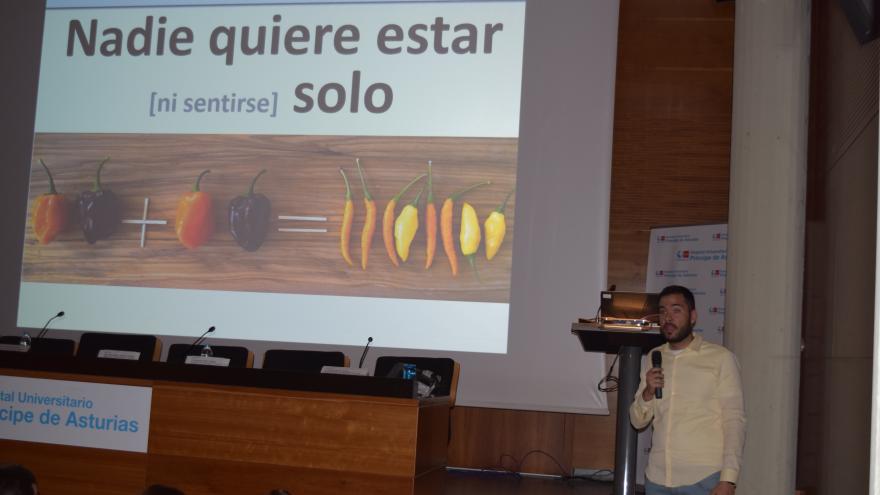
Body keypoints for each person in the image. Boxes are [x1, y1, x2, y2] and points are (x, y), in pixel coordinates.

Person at [630, 285, 746, 495]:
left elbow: (734, 420)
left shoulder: (721, 359)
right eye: (663, 311)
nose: (668, 317)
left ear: (693, 317)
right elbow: (638, 421)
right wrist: (647, 392)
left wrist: (729, 479)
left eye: (676, 310)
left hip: (704, 480)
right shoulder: (653, 358)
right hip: (657, 480)